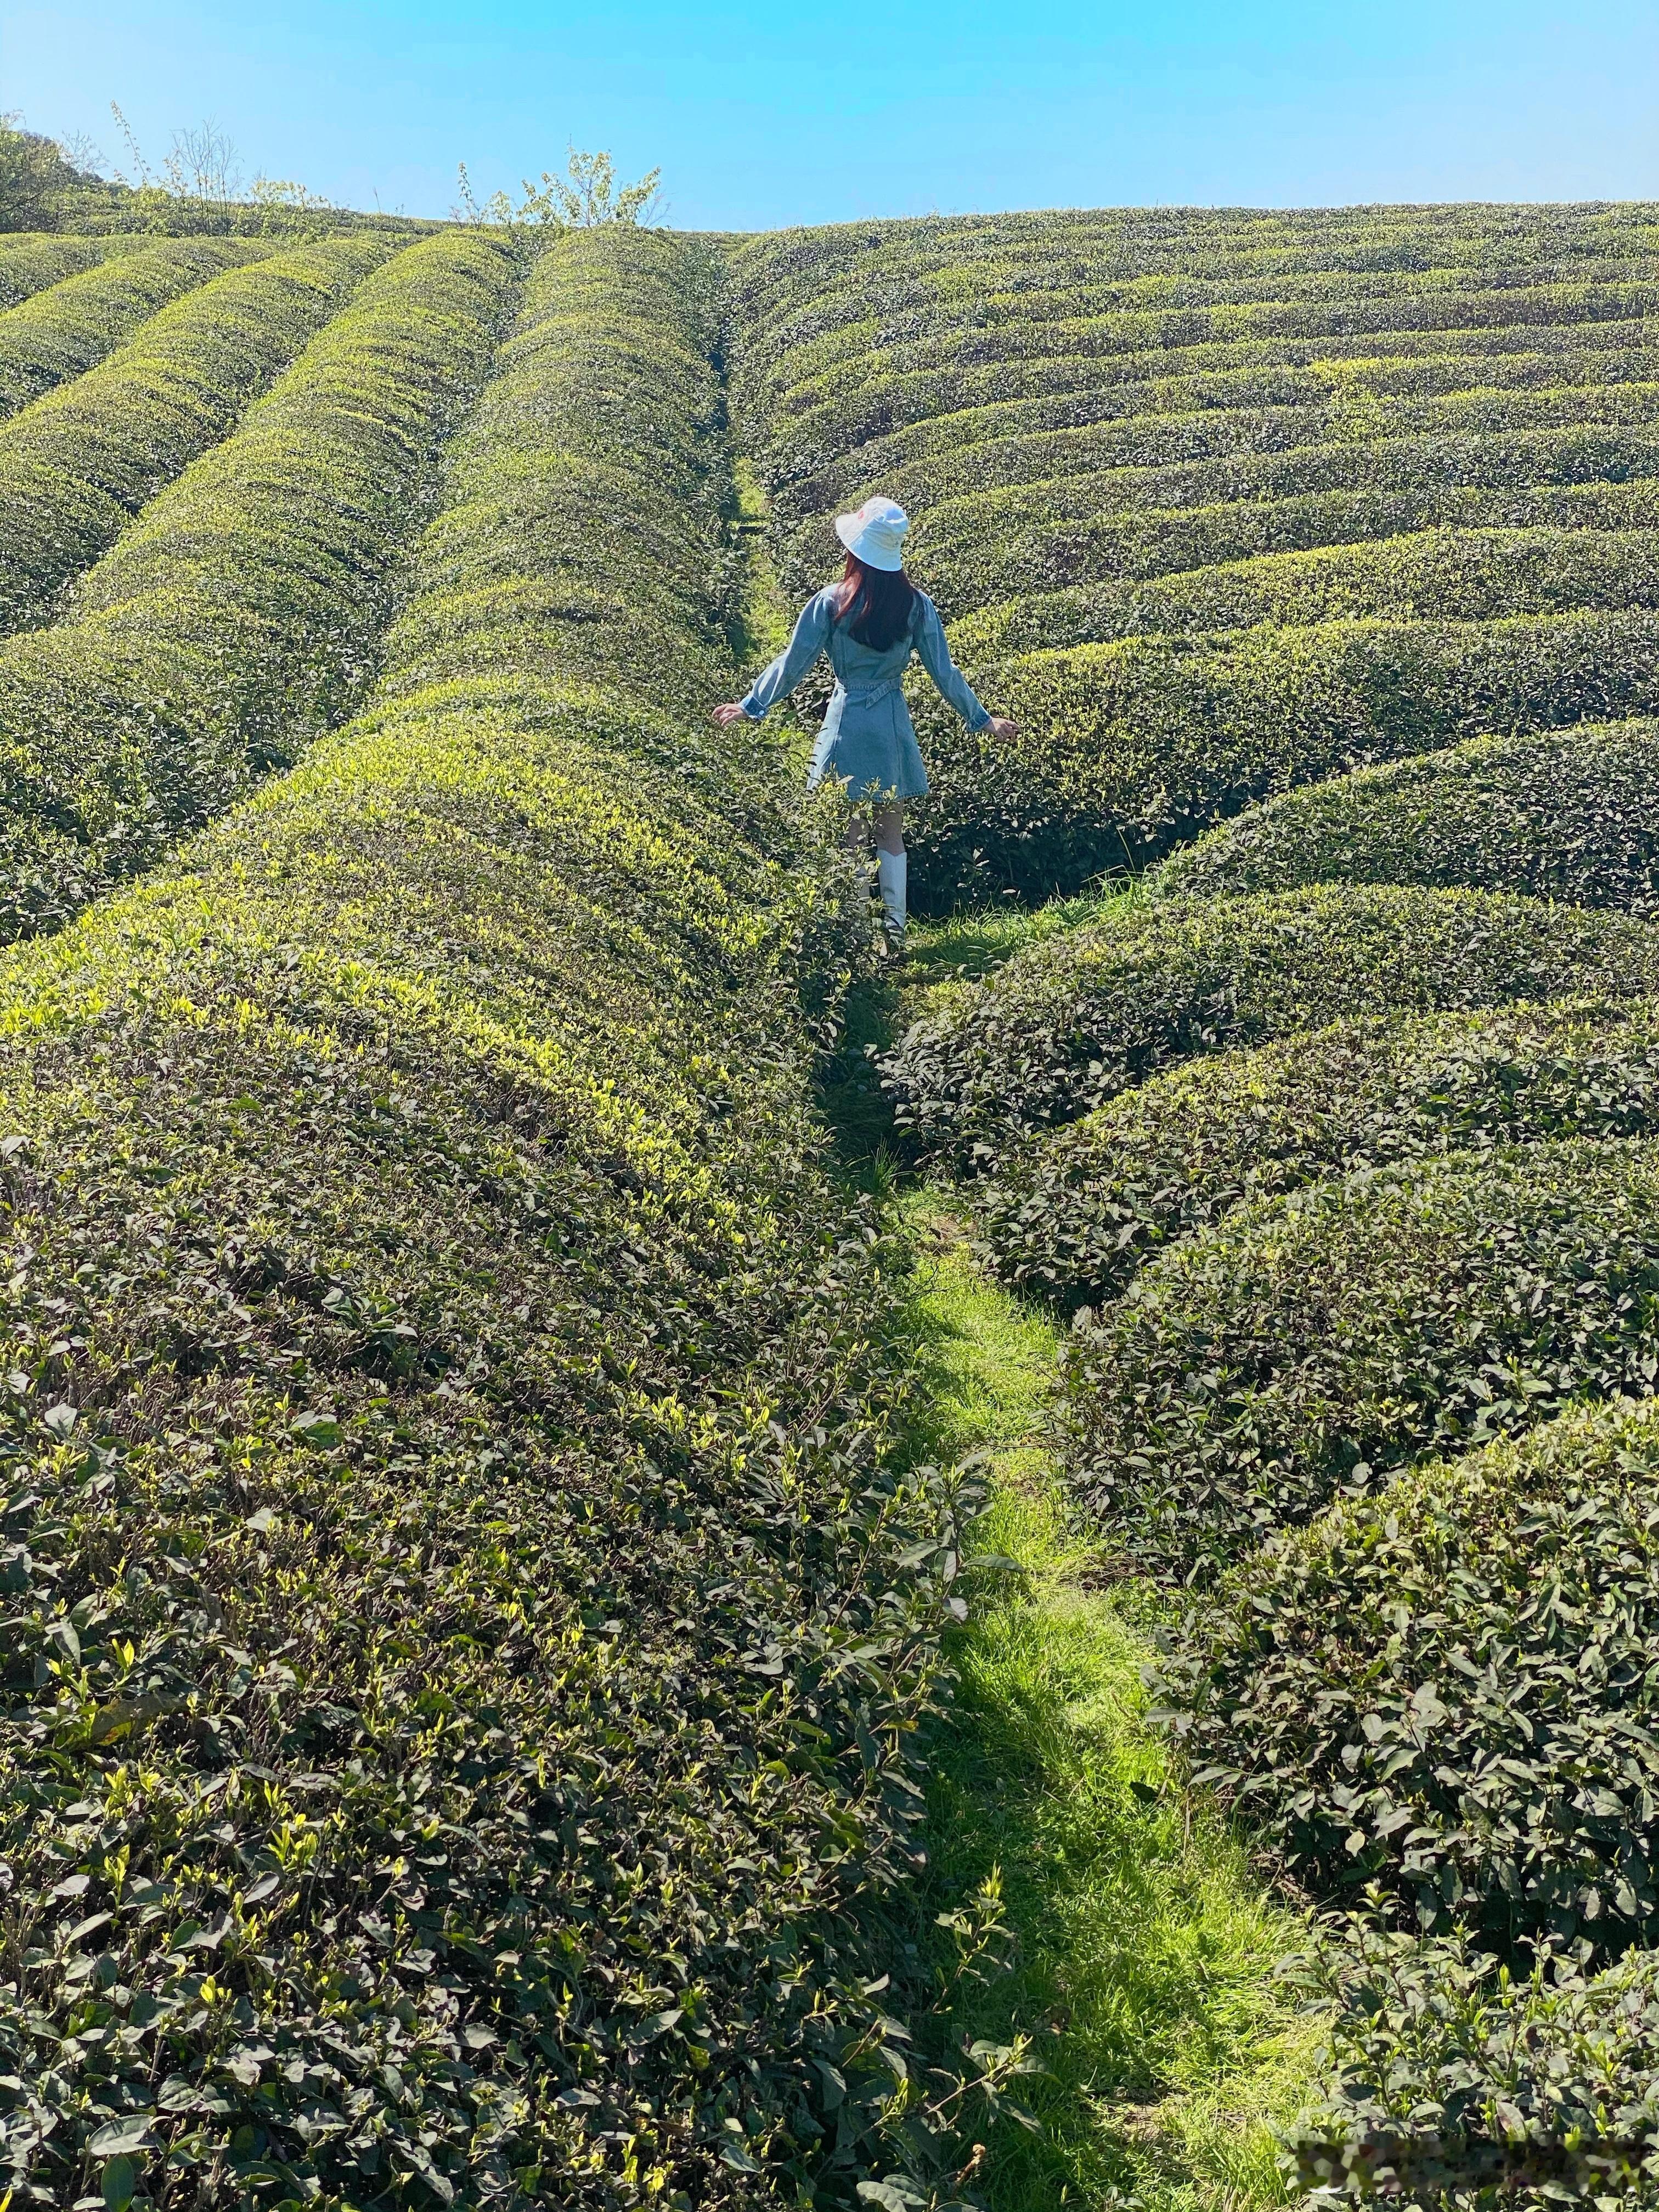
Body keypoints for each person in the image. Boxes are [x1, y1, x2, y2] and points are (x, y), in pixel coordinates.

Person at [712, 495, 1018, 945]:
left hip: (847, 724)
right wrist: (983, 720)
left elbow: (793, 662)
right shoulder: (916, 606)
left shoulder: (831, 602)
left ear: (854, 552)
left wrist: (752, 705)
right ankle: (895, 935)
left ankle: (857, 937)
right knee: (890, 833)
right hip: (892, 725)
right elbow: (944, 672)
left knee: (851, 836)